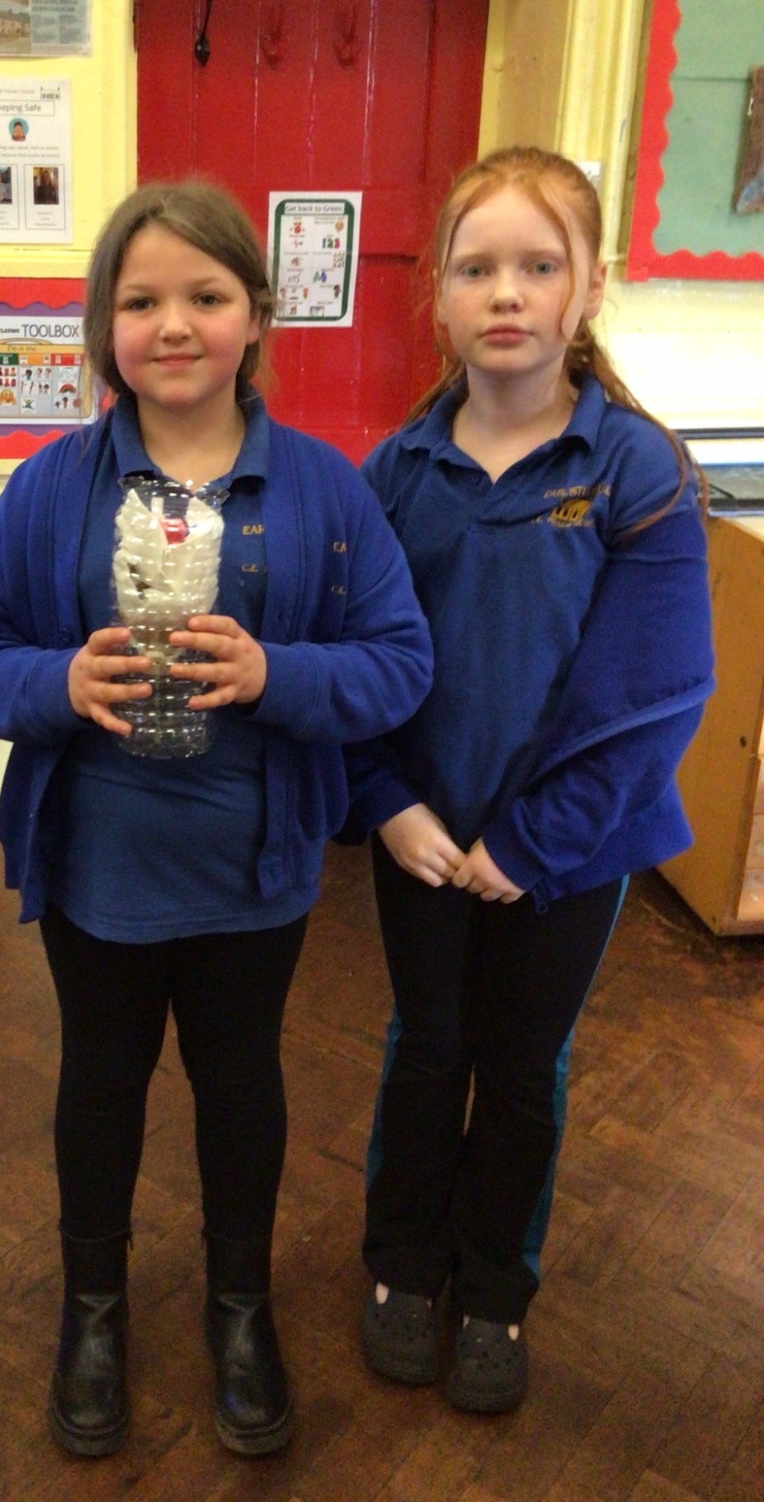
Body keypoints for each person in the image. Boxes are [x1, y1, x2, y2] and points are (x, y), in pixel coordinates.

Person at [0, 180, 432, 1456]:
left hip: (255, 868)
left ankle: (239, 1303)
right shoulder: (53, 487)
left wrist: (278, 673)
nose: (172, 324)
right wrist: (56, 681)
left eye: (205, 296)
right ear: (103, 325)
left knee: (239, 1084)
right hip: (96, 864)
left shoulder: (322, 489)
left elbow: (399, 663)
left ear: (256, 316)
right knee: (100, 1083)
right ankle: (93, 1307)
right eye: (140, 299)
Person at [348, 147, 714, 1414]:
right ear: (440, 300)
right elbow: (353, 663)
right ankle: (403, 1264)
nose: (506, 292)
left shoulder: (636, 471)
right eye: (477, 268)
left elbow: (653, 693)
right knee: (425, 1045)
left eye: (539, 265)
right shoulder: (395, 475)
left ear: (589, 287)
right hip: (422, 836)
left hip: (568, 853)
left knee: (519, 1064)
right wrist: (388, 801)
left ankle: (496, 1284)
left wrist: (533, 843)